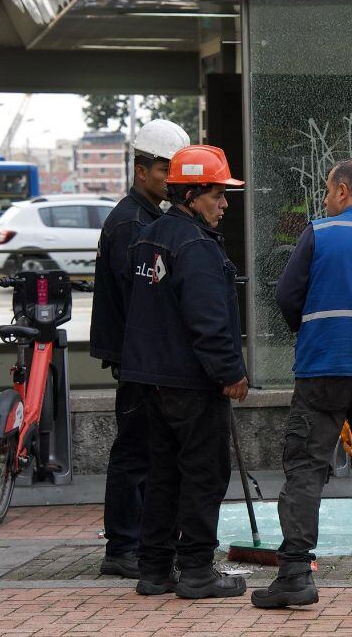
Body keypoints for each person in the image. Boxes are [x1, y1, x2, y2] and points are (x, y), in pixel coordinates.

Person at [251, 159, 352, 609]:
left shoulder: (319, 233)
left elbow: (286, 295)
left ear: (342, 191)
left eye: (326, 191)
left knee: (305, 468)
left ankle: (297, 575)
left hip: (322, 367)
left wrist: (310, 331)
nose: (324, 200)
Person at [120, 144, 250, 599]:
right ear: (192, 195)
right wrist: (231, 373)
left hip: (151, 379)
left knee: (164, 474)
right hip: (191, 382)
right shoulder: (195, 245)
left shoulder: (147, 236)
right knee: (204, 473)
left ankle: (154, 568)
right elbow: (209, 321)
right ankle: (196, 569)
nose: (225, 204)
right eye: (218, 194)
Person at [89, 118, 189, 578]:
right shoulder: (131, 222)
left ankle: (137, 541)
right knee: (135, 453)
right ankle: (124, 546)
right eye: (166, 169)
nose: (173, 179)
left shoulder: (146, 217)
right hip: (138, 359)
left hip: (143, 357)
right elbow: (141, 300)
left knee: (146, 451)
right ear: (141, 169)